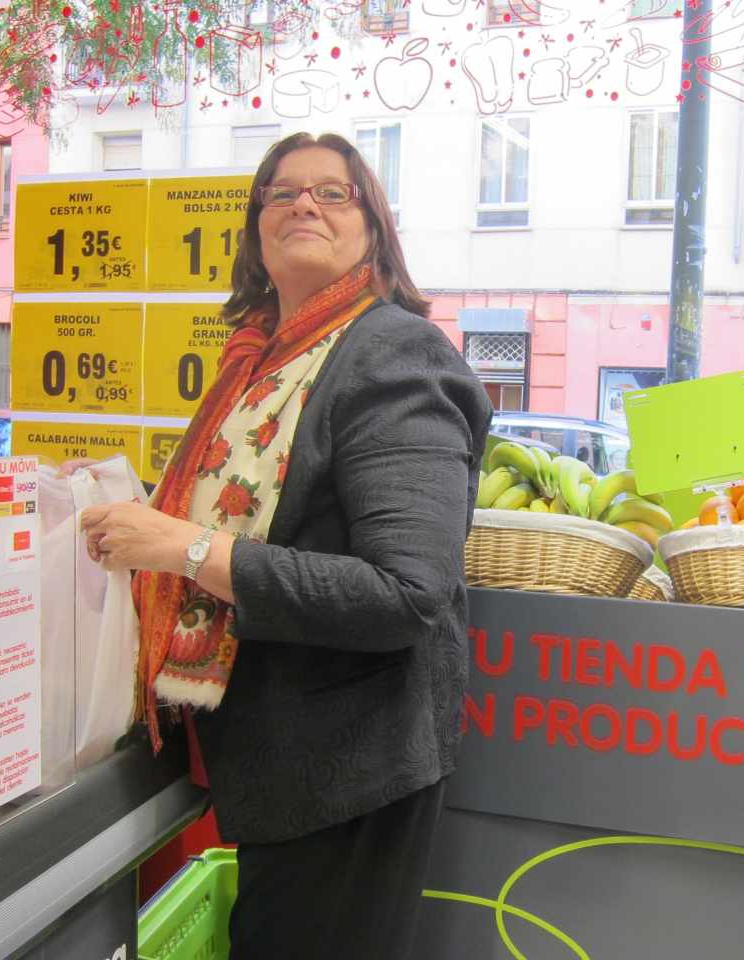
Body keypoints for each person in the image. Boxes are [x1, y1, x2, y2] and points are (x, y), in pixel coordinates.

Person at [78, 132, 492, 958]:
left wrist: (183, 547)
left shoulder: (394, 355)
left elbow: (405, 593)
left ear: (373, 227)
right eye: (282, 193)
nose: (304, 203)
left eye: (333, 193)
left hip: (348, 769)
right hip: (282, 757)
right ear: (256, 229)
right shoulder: (260, 360)